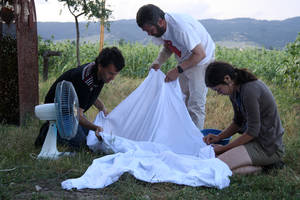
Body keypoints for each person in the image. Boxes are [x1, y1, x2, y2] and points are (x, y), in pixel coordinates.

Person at [136, 4, 215, 130]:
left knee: (195, 104)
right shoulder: (161, 29)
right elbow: (168, 46)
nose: (150, 34)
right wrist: (158, 62)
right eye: (146, 32)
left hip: (201, 61)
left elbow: (200, 54)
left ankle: (194, 143)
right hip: (186, 59)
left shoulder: (180, 28)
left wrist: (177, 70)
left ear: (160, 22)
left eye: (150, 30)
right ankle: (182, 134)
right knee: (182, 99)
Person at [35, 47, 125, 150]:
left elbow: (91, 94)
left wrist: (102, 108)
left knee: (89, 136)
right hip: (61, 112)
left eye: (115, 74)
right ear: (100, 66)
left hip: (72, 111)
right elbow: (78, 115)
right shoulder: (85, 80)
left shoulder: (99, 74)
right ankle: (48, 131)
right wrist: (95, 127)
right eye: (111, 73)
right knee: (82, 144)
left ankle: (57, 130)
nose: (112, 78)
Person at [203, 61, 284, 174]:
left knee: (216, 166)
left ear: (227, 79)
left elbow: (252, 132)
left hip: (267, 147)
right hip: (253, 142)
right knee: (215, 160)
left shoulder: (250, 90)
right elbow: (238, 122)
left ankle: (267, 165)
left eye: (218, 89)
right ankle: (261, 164)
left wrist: (224, 148)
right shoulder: (234, 91)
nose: (218, 93)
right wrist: (218, 137)